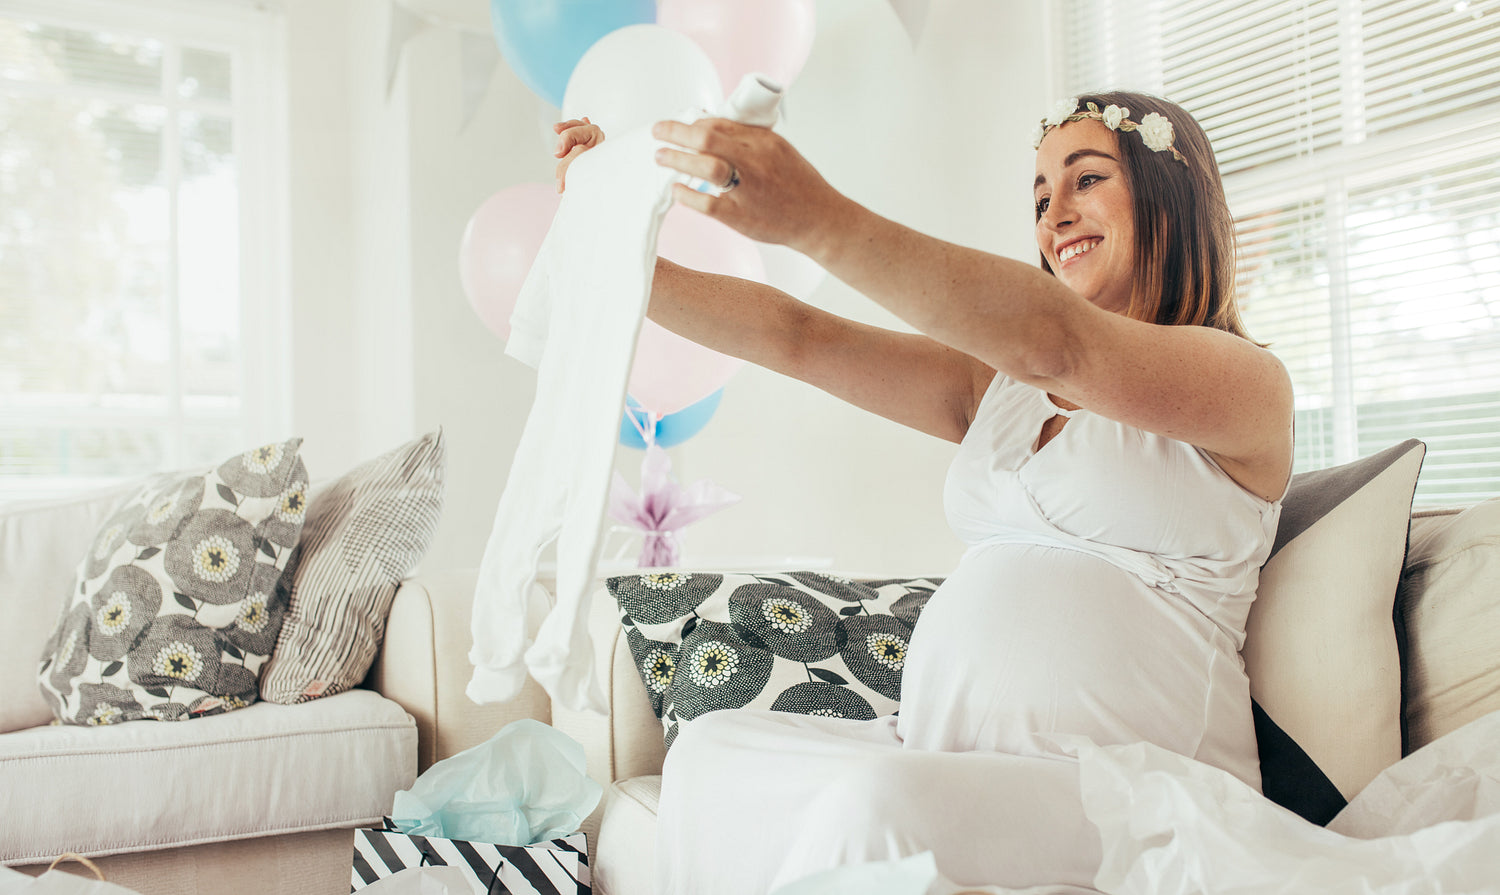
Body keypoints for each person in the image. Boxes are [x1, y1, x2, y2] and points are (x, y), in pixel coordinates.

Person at [553, 92, 1295, 892]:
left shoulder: (1245, 385)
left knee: (880, 807)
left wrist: (816, 219)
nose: (1054, 216)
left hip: (1133, 795)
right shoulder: (1000, 388)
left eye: (1086, 180)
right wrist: (617, 248)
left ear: (1170, 198)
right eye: (1040, 197)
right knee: (710, 752)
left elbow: (1060, 344)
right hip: (951, 758)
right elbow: (800, 338)